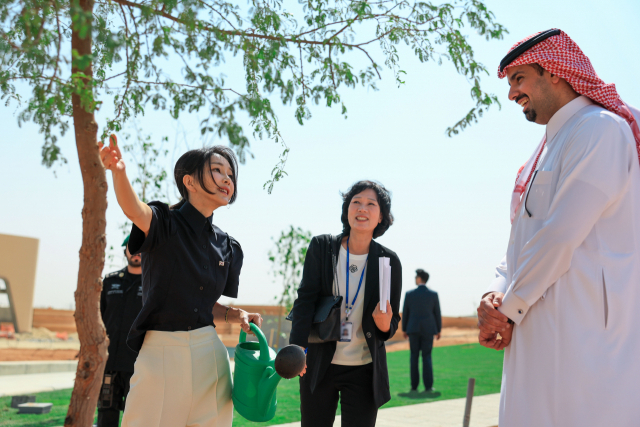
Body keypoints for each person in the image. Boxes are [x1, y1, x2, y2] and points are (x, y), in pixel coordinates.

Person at [476, 29, 640, 427]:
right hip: (534, 323)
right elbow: (523, 236)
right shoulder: (548, 145)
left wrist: (511, 308)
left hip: (583, 334)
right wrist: (495, 295)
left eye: (519, 79)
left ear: (555, 72)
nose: (512, 94)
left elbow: (560, 234)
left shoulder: (599, 129)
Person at [99, 135, 263, 427]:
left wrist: (233, 314)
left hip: (210, 355)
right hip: (160, 353)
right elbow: (134, 209)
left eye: (230, 174)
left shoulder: (228, 246)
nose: (227, 179)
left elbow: (202, 303)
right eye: (217, 170)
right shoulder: (164, 222)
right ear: (189, 181)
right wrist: (119, 173)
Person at [289, 180, 402, 427]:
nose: (362, 208)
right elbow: (305, 301)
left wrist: (385, 324)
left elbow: (390, 325)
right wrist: (298, 350)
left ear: (381, 216)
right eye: (356, 202)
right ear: (347, 210)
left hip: (364, 369)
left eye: (371, 204)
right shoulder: (322, 247)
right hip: (319, 364)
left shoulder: (388, 260)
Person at [97, 235, 143, 427]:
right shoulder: (109, 281)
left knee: (138, 417)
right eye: (132, 248)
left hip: (139, 364)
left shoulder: (153, 285)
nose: (136, 253)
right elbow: (98, 317)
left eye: (141, 249)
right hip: (109, 363)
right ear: (125, 251)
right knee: (106, 415)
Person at [401, 269, 441, 393]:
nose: (415, 279)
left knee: (414, 357)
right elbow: (437, 313)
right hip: (429, 329)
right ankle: (428, 386)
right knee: (427, 357)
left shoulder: (409, 294)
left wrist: (404, 329)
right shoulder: (433, 294)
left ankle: (414, 386)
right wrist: (438, 330)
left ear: (419, 279)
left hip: (412, 329)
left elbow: (405, 313)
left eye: (416, 277)